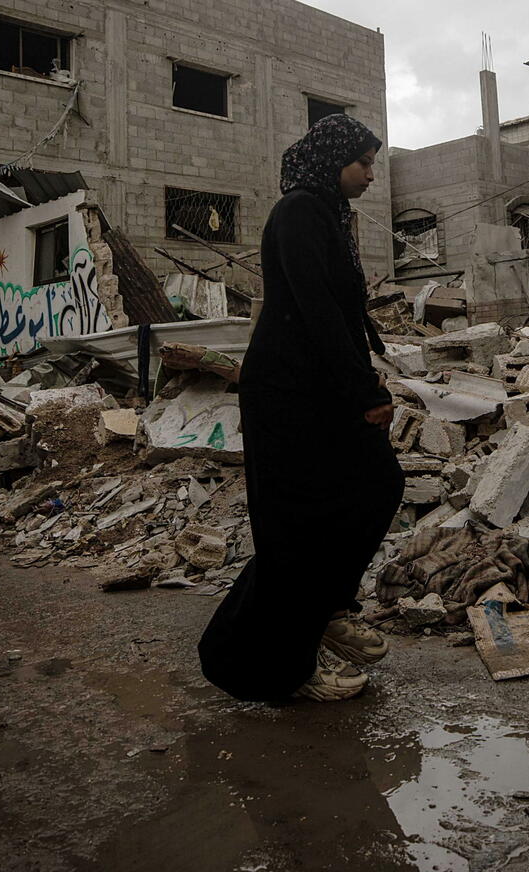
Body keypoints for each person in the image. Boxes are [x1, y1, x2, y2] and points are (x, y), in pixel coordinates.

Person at [198, 114, 403, 703]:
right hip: (289, 392)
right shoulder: (299, 212)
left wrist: (360, 379)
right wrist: (365, 392)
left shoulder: (327, 214)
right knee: (297, 526)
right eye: (363, 162)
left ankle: (328, 609)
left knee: (375, 486)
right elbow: (316, 310)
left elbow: (339, 314)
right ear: (332, 159)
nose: (370, 175)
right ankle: (282, 665)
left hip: (319, 386)